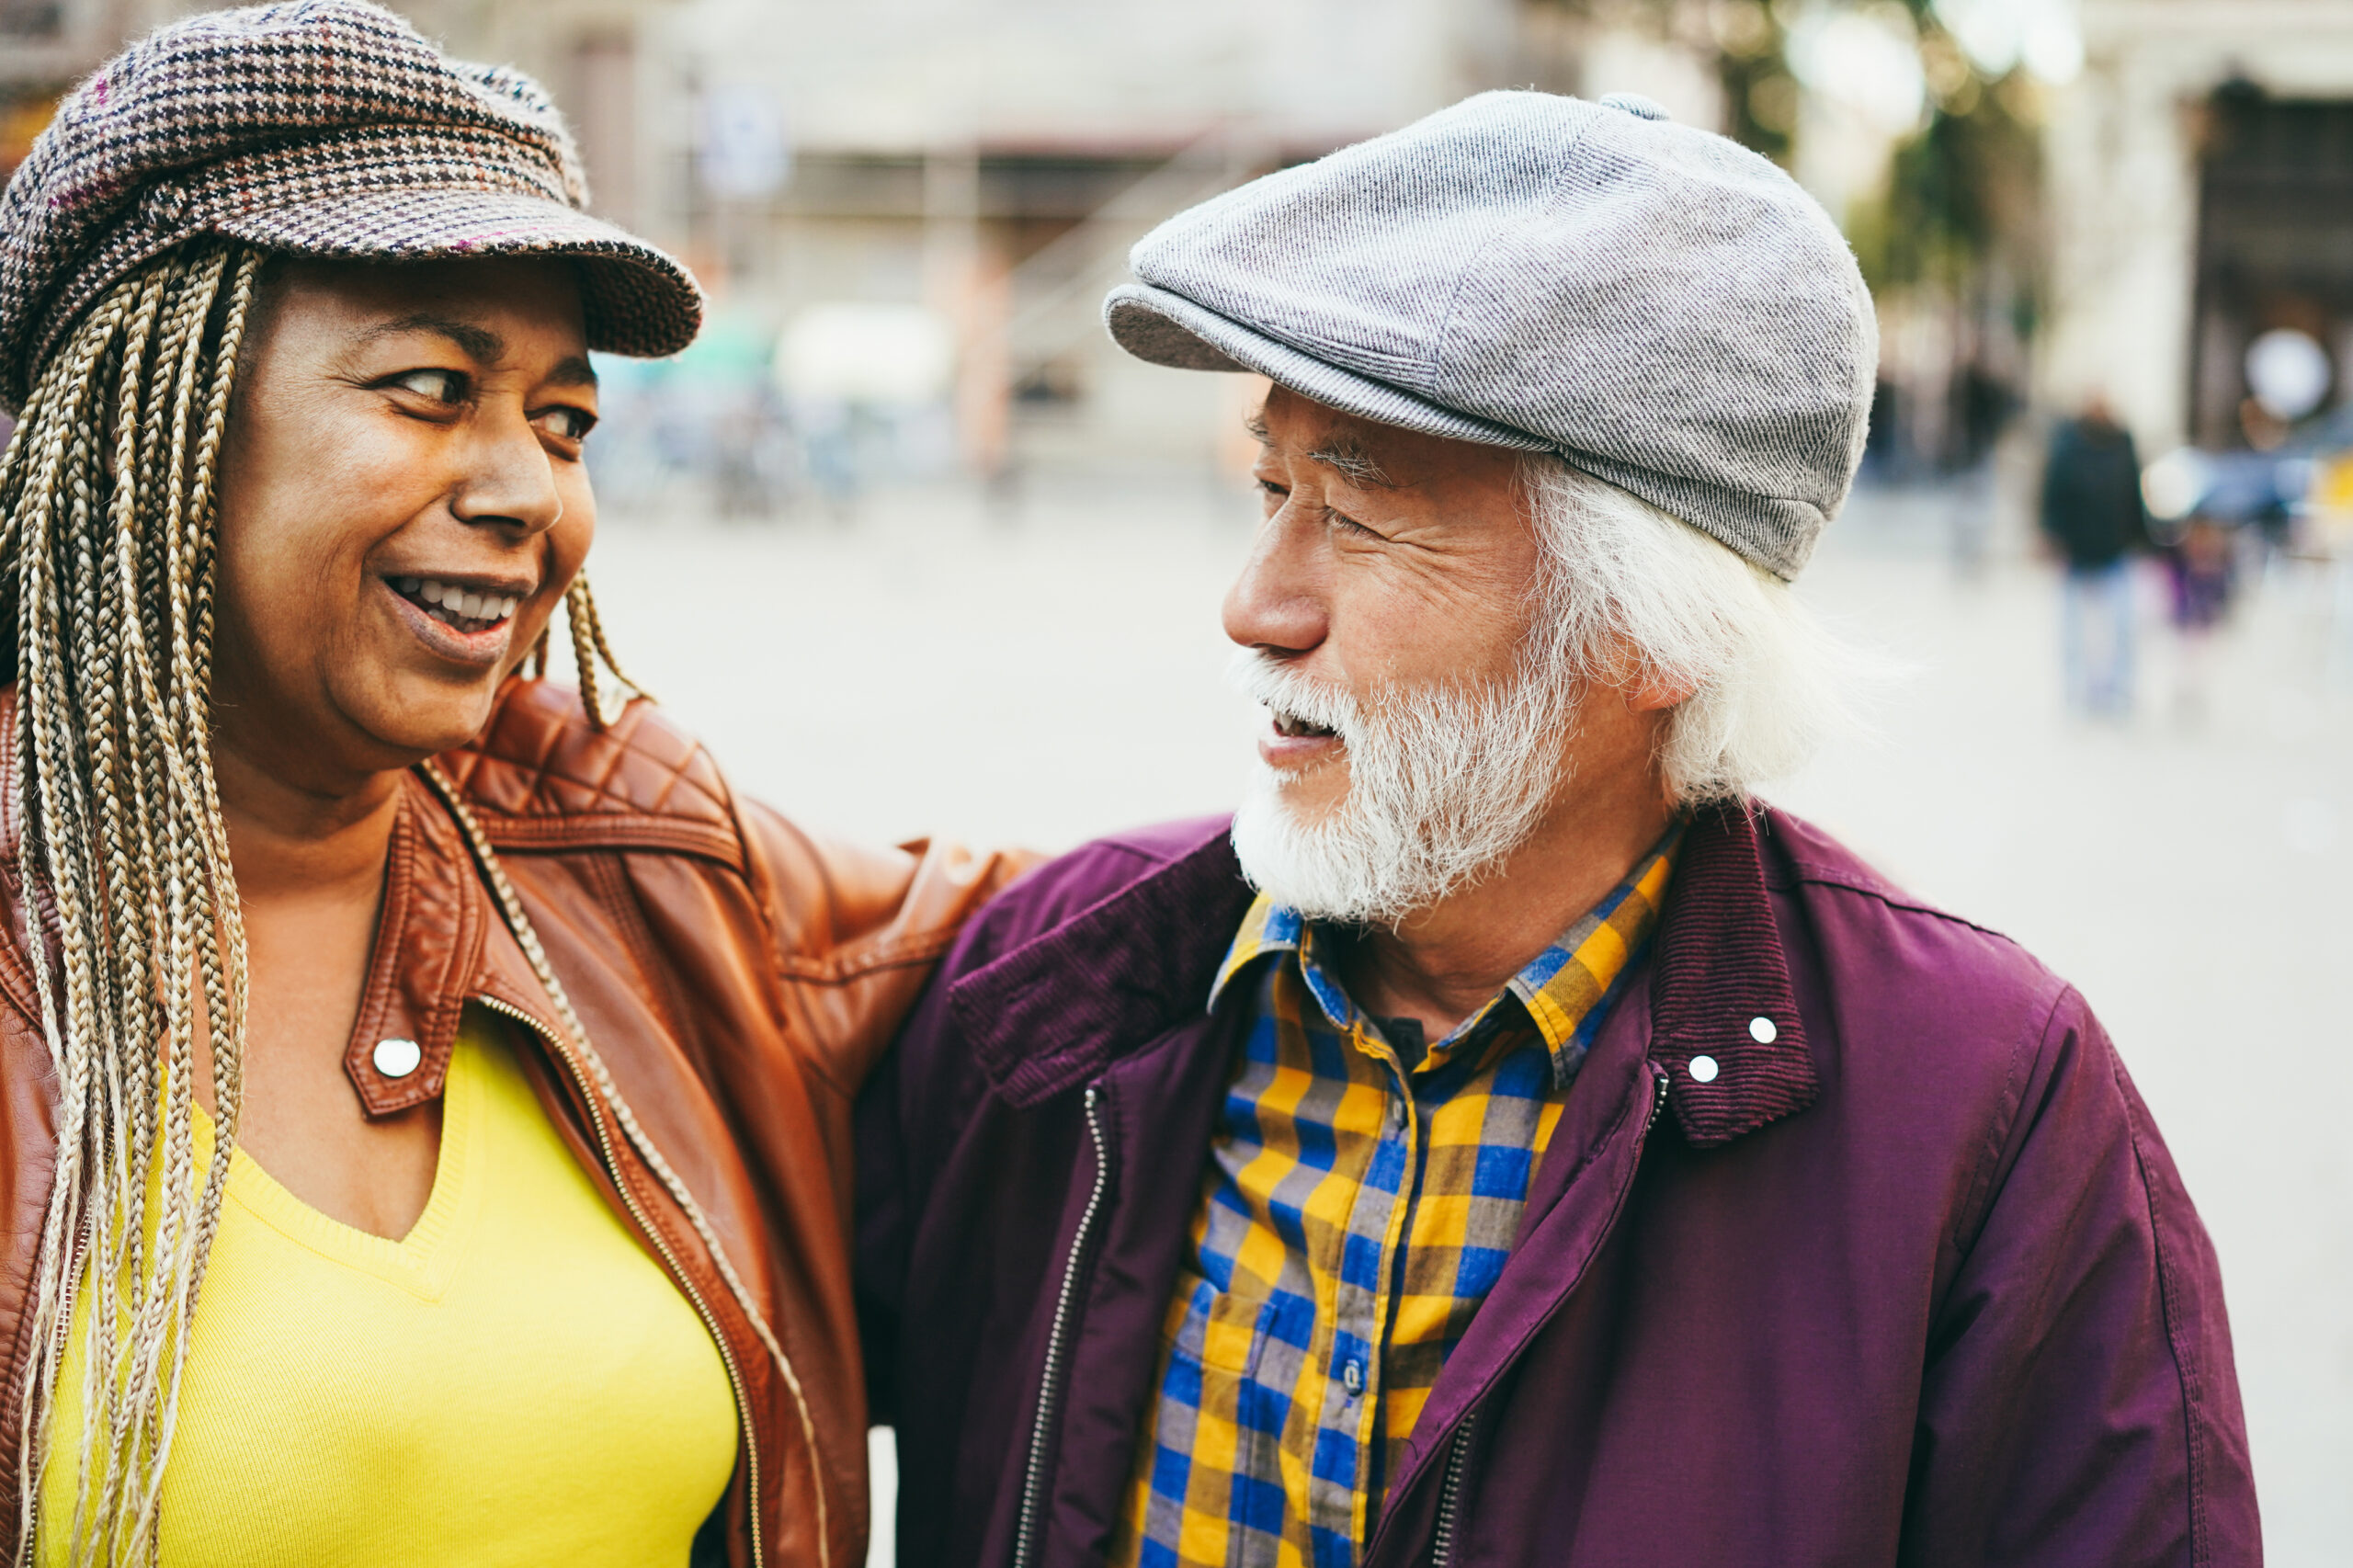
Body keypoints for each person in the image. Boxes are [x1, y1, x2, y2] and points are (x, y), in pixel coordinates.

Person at [857, 93, 2257, 1567]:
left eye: (1364, 517)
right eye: (1272, 489)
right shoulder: (1054, 983)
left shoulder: (1984, 1110)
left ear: (1653, 636)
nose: (1256, 604)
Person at [0, 6, 1017, 1563]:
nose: (525, 488)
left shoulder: (640, 853)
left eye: (564, 421)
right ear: (153, 426)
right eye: (427, 388)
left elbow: (1103, 959)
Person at [2040, 392, 2151, 718]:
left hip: (2115, 548)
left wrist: (2142, 538)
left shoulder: (2123, 444)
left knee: (2123, 627)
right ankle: (2075, 693)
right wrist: (2051, 533)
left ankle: (2118, 694)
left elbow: (2133, 493)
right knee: (2073, 630)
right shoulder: (2067, 445)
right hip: (2077, 549)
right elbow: (2053, 492)